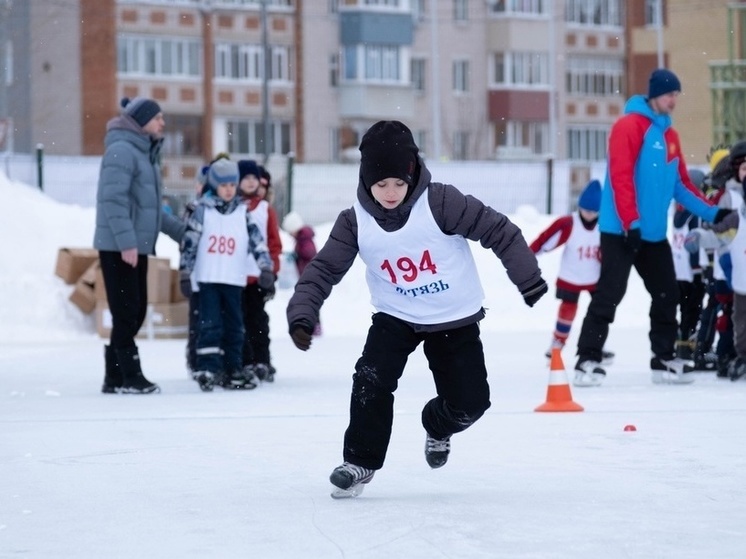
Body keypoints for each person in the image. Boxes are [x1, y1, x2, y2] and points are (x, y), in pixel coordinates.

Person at [286, 120, 548, 498]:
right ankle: (359, 461)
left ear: (412, 175)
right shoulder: (354, 222)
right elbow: (323, 269)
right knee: (370, 378)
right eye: (380, 184)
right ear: (365, 182)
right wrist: (302, 315)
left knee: (471, 403)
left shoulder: (441, 202)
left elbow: (498, 230)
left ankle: (437, 424)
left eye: (398, 183)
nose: (390, 193)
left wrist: (527, 278)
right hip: (396, 316)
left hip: (453, 317)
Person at [573, 69, 729, 387]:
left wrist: (714, 214)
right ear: (655, 94)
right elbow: (620, 178)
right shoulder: (628, 126)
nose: (674, 101)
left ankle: (663, 358)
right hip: (621, 230)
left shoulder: (670, 136)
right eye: (670, 94)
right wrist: (630, 221)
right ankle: (586, 360)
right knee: (610, 293)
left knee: (667, 294)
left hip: (654, 234)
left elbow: (682, 185)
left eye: (676, 95)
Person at [93, 96, 185, 394]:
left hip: (136, 247)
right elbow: (113, 200)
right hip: (121, 247)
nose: (162, 123)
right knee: (126, 312)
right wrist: (127, 243)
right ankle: (129, 376)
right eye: (157, 117)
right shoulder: (121, 150)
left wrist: (183, 233)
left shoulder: (144, 153)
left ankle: (114, 376)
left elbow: (152, 210)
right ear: (141, 120)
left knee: (135, 311)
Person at [179, 159, 275, 391]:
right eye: (224, 185)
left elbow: (257, 242)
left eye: (232, 184)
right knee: (209, 324)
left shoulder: (242, 212)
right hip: (209, 279)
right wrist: (185, 272)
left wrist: (265, 268)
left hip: (233, 280)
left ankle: (234, 367)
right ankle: (208, 368)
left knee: (235, 325)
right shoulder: (202, 210)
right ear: (214, 185)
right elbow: (190, 243)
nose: (229, 189)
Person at [529, 179, 612, 376]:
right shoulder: (568, 223)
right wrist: (528, 256)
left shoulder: (605, 224)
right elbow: (545, 239)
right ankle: (557, 343)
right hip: (571, 277)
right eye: (586, 209)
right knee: (568, 311)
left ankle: (595, 346)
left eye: (594, 211)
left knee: (599, 313)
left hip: (595, 278)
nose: (589, 214)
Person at [237, 160, 282, 383]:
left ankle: (262, 360)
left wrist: (272, 271)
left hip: (257, 276)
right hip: (234, 277)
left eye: (254, 179)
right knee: (239, 322)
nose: (250, 182)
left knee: (258, 321)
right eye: (245, 178)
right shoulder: (231, 207)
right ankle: (243, 360)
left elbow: (274, 243)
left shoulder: (265, 209)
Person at [669, 168, 708, 361]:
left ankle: (679, 342)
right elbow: (694, 241)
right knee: (692, 308)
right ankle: (687, 345)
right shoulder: (695, 210)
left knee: (683, 307)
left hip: (678, 270)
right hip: (691, 271)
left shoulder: (679, 208)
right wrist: (698, 269)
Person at [282, 211, 321, 335]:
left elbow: (309, 253)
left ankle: (314, 326)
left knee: (309, 301)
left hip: (310, 276)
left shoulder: (304, 238)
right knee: (308, 301)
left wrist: (297, 255)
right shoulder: (301, 239)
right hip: (306, 275)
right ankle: (311, 325)